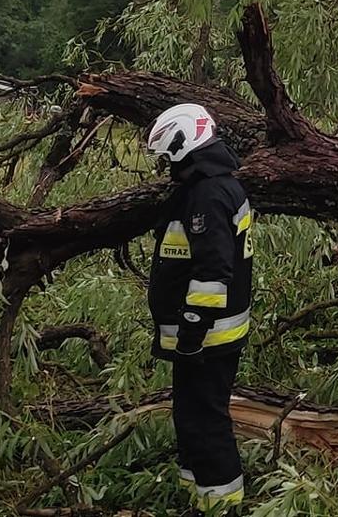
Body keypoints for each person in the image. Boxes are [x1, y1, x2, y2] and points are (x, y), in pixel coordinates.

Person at [144, 102, 254, 511]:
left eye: (168, 157)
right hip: (206, 335)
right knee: (190, 419)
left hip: (207, 338)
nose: (167, 166)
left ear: (182, 143)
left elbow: (213, 272)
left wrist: (192, 330)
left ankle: (223, 505)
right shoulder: (211, 187)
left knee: (206, 422)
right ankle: (197, 494)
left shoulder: (208, 195)